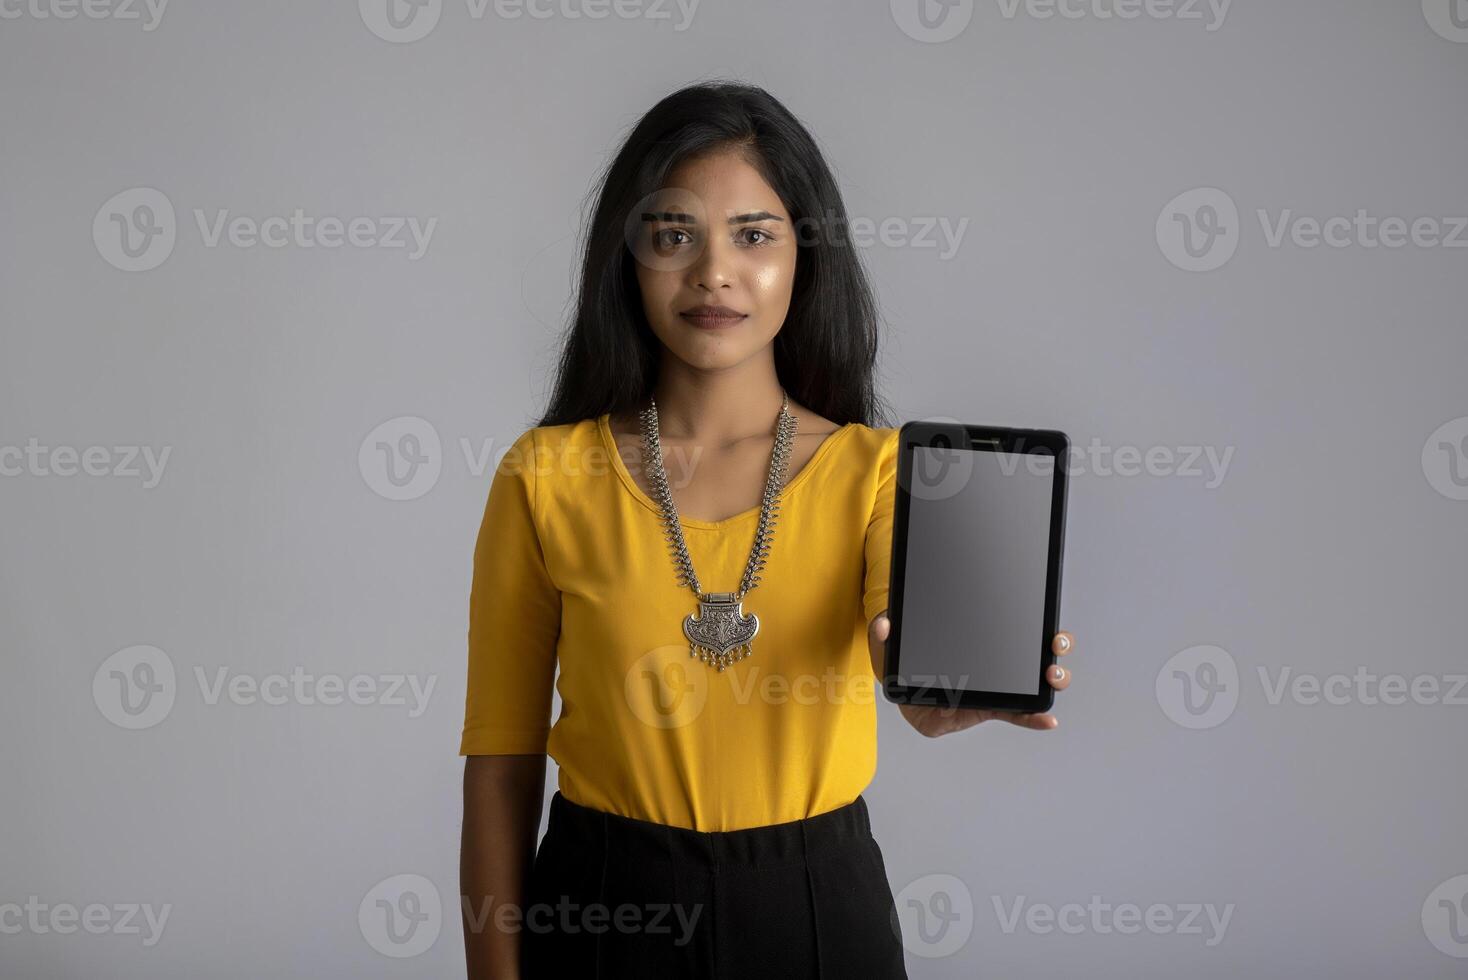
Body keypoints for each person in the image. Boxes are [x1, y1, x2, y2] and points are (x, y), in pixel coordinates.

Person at [458, 79, 1078, 979]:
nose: (714, 272)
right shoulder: (545, 476)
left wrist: (942, 698)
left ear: (806, 256)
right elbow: (501, 763)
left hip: (817, 909)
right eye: (675, 234)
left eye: (754, 235)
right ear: (625, 260)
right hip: (598, 909)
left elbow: (898, 657)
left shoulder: (879, 470)